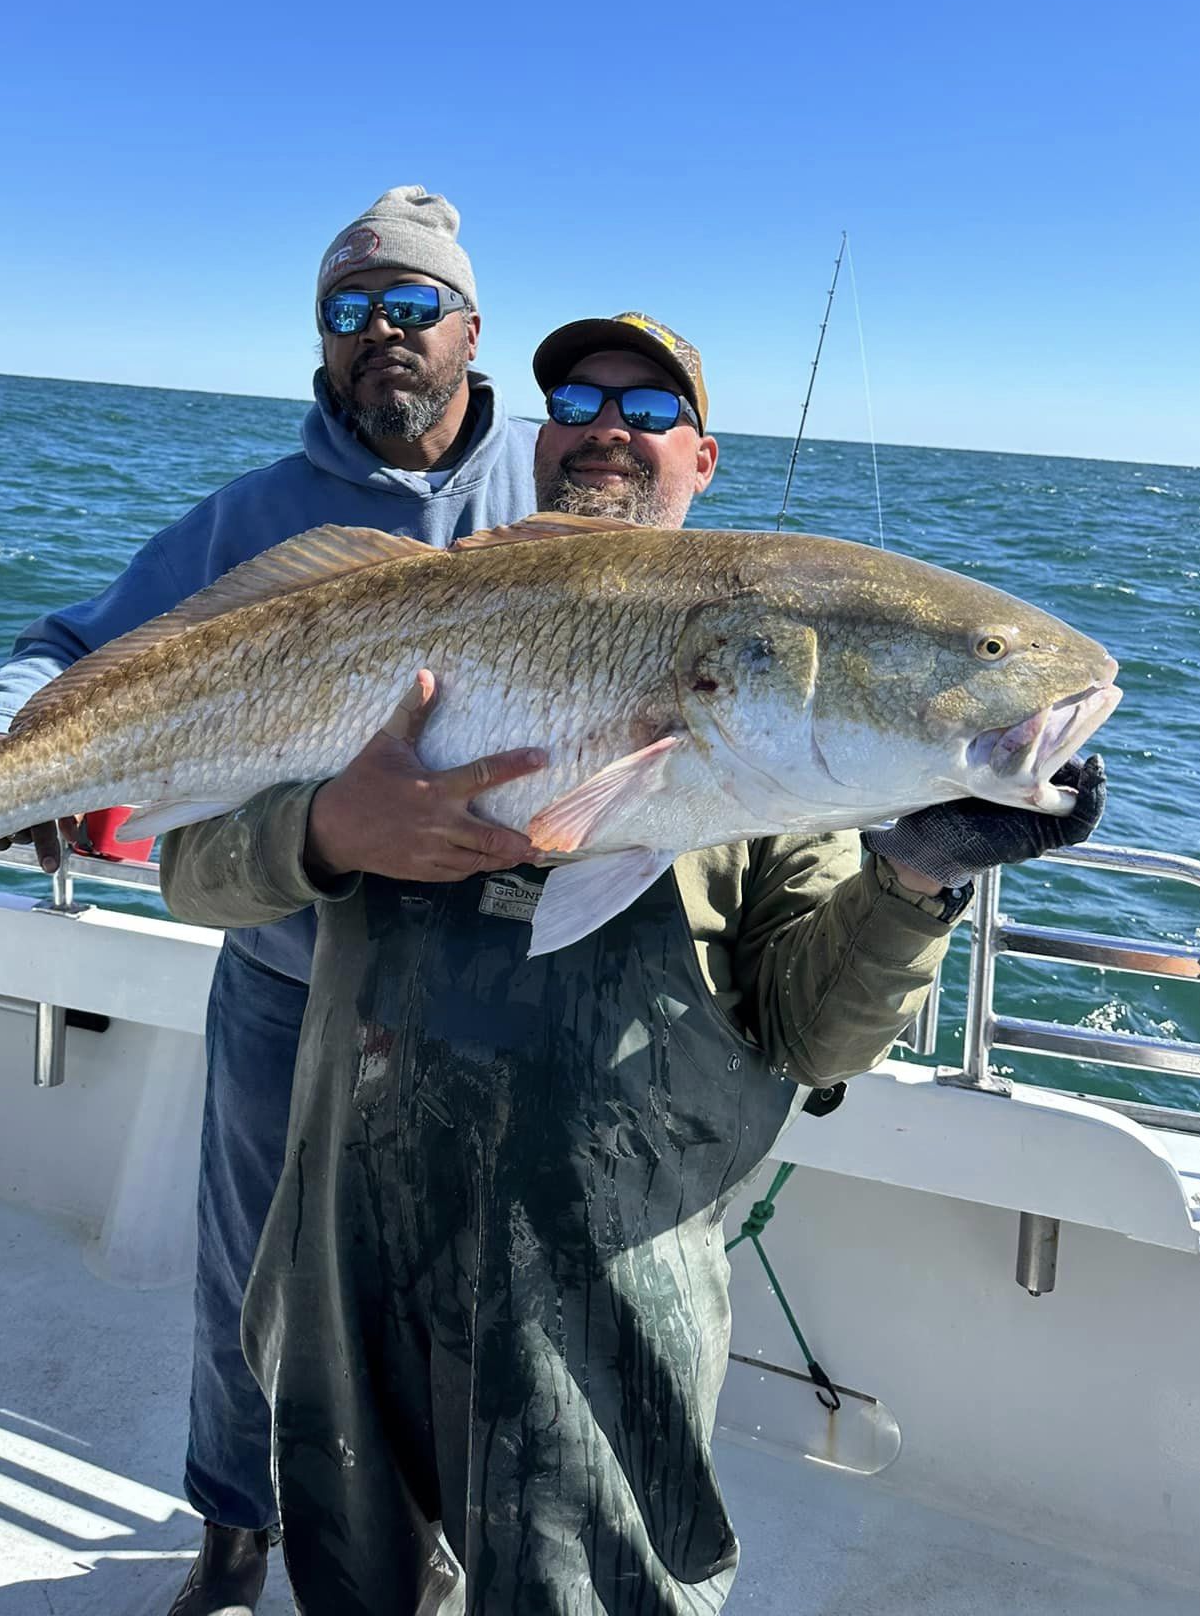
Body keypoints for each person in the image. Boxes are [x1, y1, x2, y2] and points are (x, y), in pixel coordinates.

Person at [161, 312, 1108, 1616]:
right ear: (542, 438)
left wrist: (913, 876)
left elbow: (813, 1035)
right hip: (347, 1248)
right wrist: (330, 827)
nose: (612, 426)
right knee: (349, 1582)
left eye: (653, 411)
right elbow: (192, 870)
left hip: (604, 1288)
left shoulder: (794, 748)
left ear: (702, 460)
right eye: (580, 400)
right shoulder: (408, 639)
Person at [0, 187, 543, 1616]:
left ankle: (439, 1548)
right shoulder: (255, 519)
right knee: (246, 1287)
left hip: (491, 986)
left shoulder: (553, 498)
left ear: (471, 327)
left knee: (466, 1298)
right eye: (350, 312)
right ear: (321, 341)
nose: (382, 336)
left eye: (412, 307)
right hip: (287, 968)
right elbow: (72, 646)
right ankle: (233, 1529)